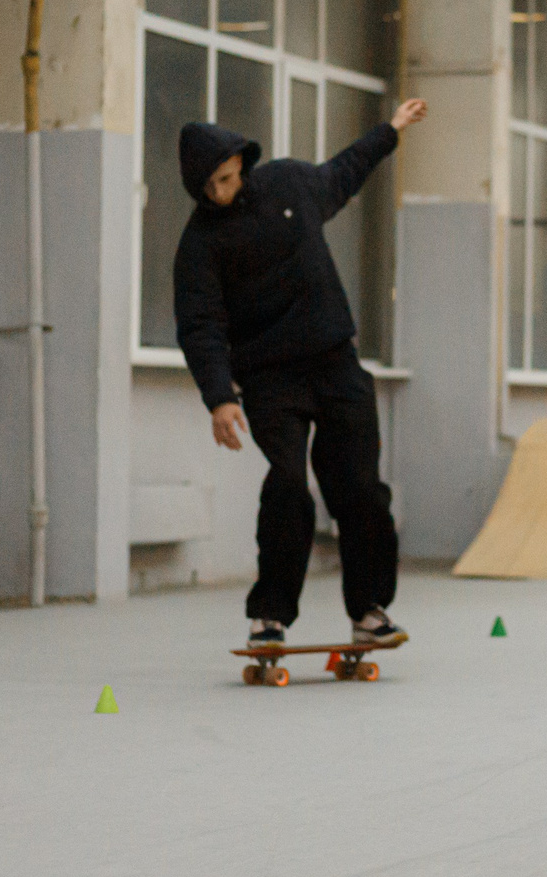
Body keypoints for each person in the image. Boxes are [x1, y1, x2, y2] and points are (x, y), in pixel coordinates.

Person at [173, 98, 428, 650]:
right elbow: (200, 325)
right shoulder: (200, 244)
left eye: (230, 177)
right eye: (213, 184)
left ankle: (369, 610)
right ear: (197, 187)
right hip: (269, 378)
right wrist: (219, 397)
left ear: (242, 164)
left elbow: (343, 172)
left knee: (361, 490)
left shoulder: (288, 185)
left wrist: (391, 130)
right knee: (289, 486)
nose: (226, 191)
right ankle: (269, 615)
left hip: (335, 361)